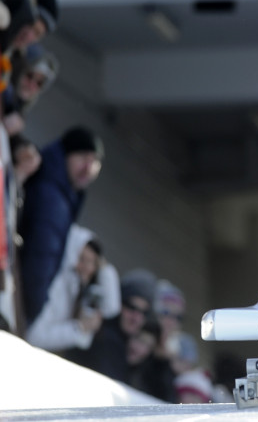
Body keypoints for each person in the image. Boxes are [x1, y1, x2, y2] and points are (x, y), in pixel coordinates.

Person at [18, 124, 103, 325]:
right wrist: (31, 309)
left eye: (95, 162)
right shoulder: (52, 196)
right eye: (83, 157)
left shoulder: (64, 196)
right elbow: (41, 255)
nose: (88, 168)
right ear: (66, 155)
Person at [25, 224, 120, 353]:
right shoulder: (56, 286)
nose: (87, 268)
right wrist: (79, 328)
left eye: (92, 263)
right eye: (82, 259)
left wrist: (104, 268)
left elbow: (111, 308)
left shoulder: (79, 288)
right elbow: (34, 336)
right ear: (71, 255)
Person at [67, 268, 157, 382]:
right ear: (119, 303)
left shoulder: (130, 345)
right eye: (131, 307)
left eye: (144, 313)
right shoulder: (101, 334)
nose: (136, 318)